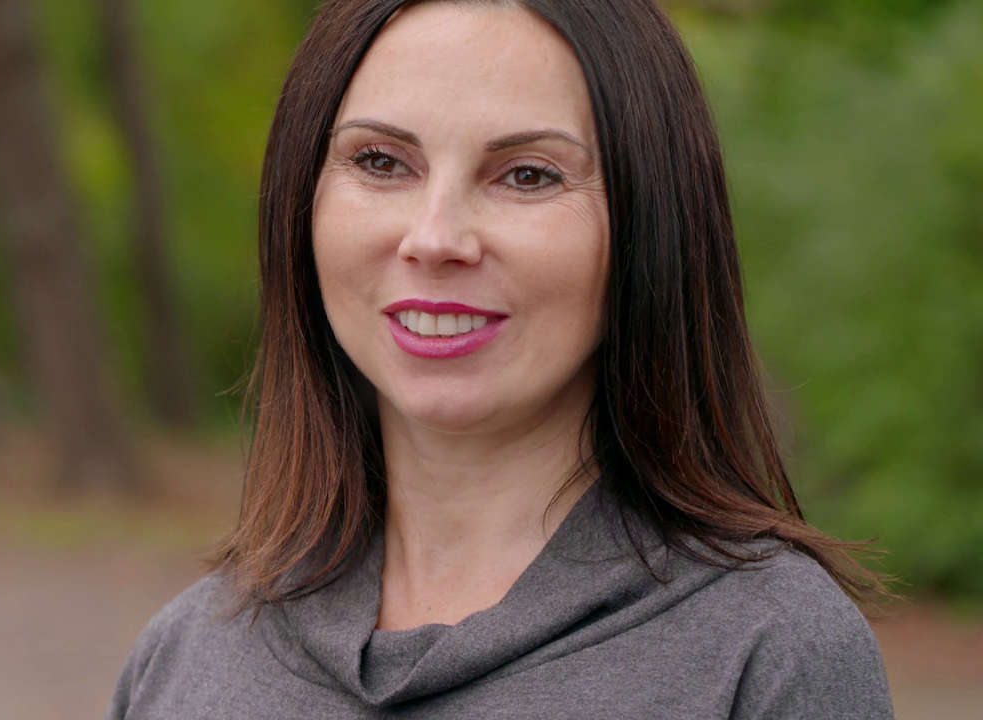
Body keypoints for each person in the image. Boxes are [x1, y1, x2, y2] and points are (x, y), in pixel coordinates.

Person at [106, 0, 895, 717]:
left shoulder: (770, 650)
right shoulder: (188, 657)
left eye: (526, 175)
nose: (435, 238)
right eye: (381, 162)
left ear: (651, 224)